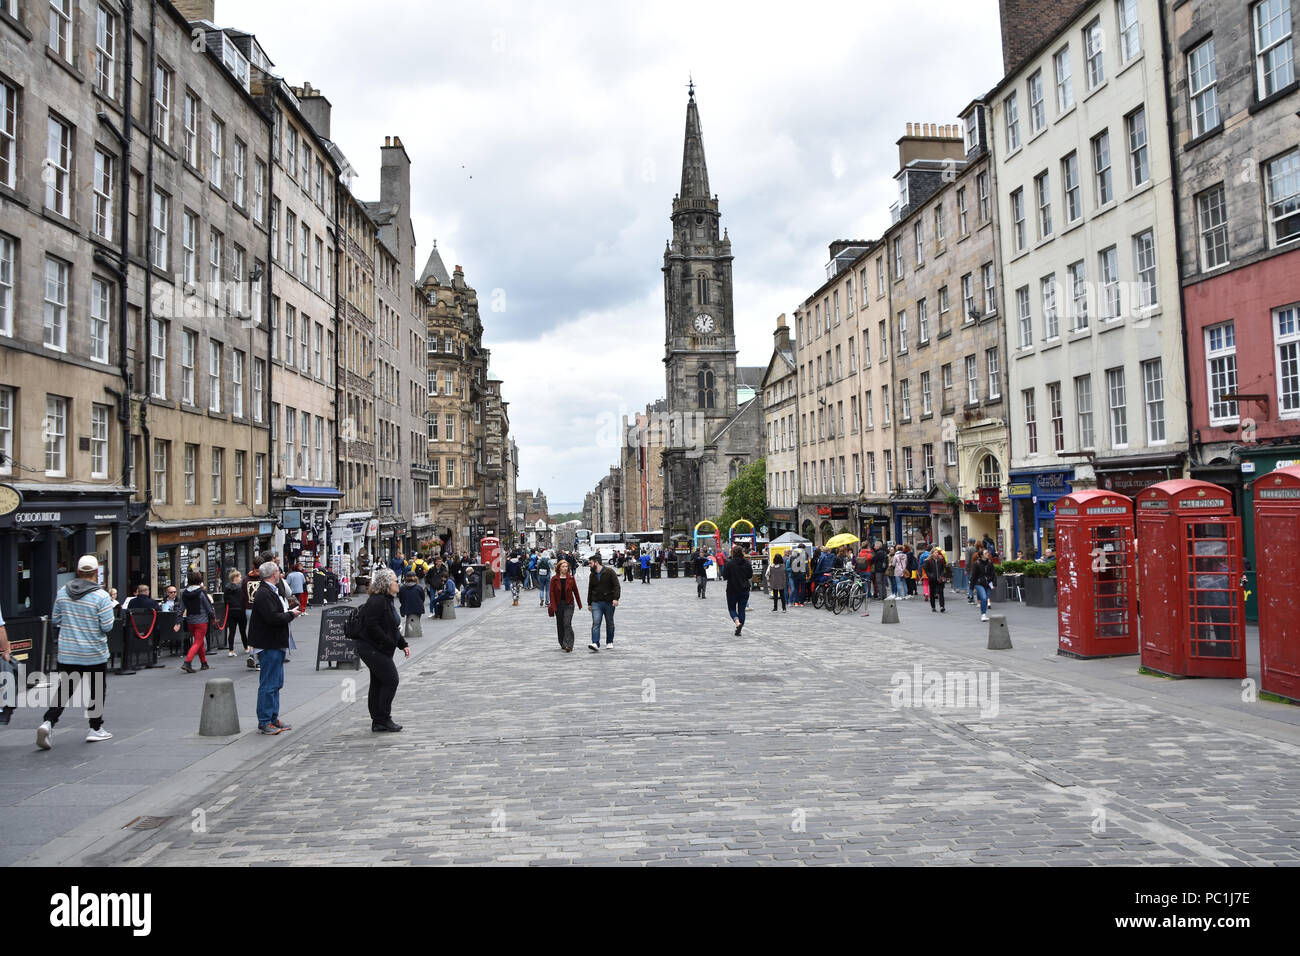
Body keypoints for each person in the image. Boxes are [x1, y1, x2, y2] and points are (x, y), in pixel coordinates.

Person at [36, 555, 116, 749]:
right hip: (94, 652)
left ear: (78, 572)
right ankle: (95, 728)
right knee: (96, 691)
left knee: (65, 690)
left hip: (68, 651)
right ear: (96, 573)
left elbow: (56, 620)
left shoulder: (63, 592)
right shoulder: (102, 596)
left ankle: (48, 722)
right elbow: (107, 626)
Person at [247, 560, 302, 735]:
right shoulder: (264, 593)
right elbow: (272, 618)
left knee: (276, 683)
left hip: (276, 642)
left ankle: (272, 717)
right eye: (278, 571)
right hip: (268, 643)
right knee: (268, 684)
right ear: (273, 574)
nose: (280, 574)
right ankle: (264, 721)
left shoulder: (272, 590)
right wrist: (290, 615)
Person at [353, 568, 411, 732]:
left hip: (379, 647)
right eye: (394, 581)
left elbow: (392, 626)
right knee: (391, 680)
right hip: (371, 648)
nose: (397, 583)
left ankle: (378, 721)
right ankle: (383, 718)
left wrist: (402, 644)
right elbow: (371, 626)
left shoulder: (387, 600)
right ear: (386, 584)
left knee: (378, 682)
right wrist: (389, 642)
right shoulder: (377, 601)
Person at [176, 571, 216, 674]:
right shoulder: (201, 592)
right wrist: (213, 617)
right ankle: (187, 662)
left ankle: (204, 663)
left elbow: (181, 609)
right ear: (199, 580)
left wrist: (178, 621)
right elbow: (208, 607)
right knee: (197, 642)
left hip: (190, 620)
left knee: (200, 642)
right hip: (201, 620)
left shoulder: (184, 593)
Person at [586, 552, 620, 652]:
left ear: (596, 563)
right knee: (596, 622)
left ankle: (609, 641)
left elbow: (616, 586)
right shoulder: (592, 575)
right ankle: (595, 643)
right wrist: (589, 603)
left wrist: (616, 598)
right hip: (596, 602)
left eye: (590, 563)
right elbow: (590, 589)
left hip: (609, 601)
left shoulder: (610, 571)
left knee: (609, 622)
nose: (589, 565)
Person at [548, 559, 582, 652]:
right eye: (563, 566)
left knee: (567, 623)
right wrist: (553, 606)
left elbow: (575, 591)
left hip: (569, 604)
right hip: (558, 604)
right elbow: (551, 593)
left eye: (566, 566)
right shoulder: (554, 579)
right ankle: (562, 642)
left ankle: (569, 645)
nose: (565, 568)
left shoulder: (571, 578)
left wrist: (579, 604)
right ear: (559, 568)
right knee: (560, 625)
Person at [722, 545, 752, 636]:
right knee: (741, 609)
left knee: (732, 608)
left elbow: (725, 576)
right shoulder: (747, 563)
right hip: (744, 589)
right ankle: (740, 626)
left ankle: (737, 622)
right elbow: (750, 575)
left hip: (732, 589)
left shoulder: (729, 563)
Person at [223, 570, 248, 658]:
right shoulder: (240, 588)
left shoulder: (226, 588)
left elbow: (225, 600)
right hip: (240, 611)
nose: (241, 578)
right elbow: (244, 599)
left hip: (231, 611)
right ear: (235, 577)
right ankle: (246, 647)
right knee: (243, 631)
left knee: (232, 631)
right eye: (240, 577)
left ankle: (231, 650)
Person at [969, 548, 997, 622]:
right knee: (984, 598)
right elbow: (973, 575)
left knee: (986, 598)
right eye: (985, 553)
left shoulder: (990, 563)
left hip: (988, 583)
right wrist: (971, 587)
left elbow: (993, 574)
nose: (987, 554)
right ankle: (983, 614)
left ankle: (984, 613)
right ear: (981, 555)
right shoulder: (977, 563)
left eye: (987, 553)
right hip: (979, 583)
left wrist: (994, 583)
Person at [398, 573, 425, 642]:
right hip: (418, 608)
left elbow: (400, 599)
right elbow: (423, 598)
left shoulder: (402, 588)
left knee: (408, 617)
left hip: (406, 608)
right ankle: (418, 629)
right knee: (417, 617)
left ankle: (409, 629)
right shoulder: (419, 587)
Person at [924, 548, 948, 613]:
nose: (936, 553)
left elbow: (943, 569)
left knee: (941, 593)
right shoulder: (928, 561)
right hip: (932, 579)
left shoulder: (940, 560)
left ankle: (942, 606)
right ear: (932, 553)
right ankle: (933, 607)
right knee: (932, 593)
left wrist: (942, 575)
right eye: (935, 552)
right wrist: (930, 576)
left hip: (940, 579)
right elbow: (926, 570)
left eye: (937, 552)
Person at [964, 538, 979, 604]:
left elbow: (967, 561)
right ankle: (979, 597)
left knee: (970, 583)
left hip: (970, 568)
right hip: (977, 567)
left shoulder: (968, 549)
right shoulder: (976, 549)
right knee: (976, 582)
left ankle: (971, 597)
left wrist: (966, 569)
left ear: (969, 542)